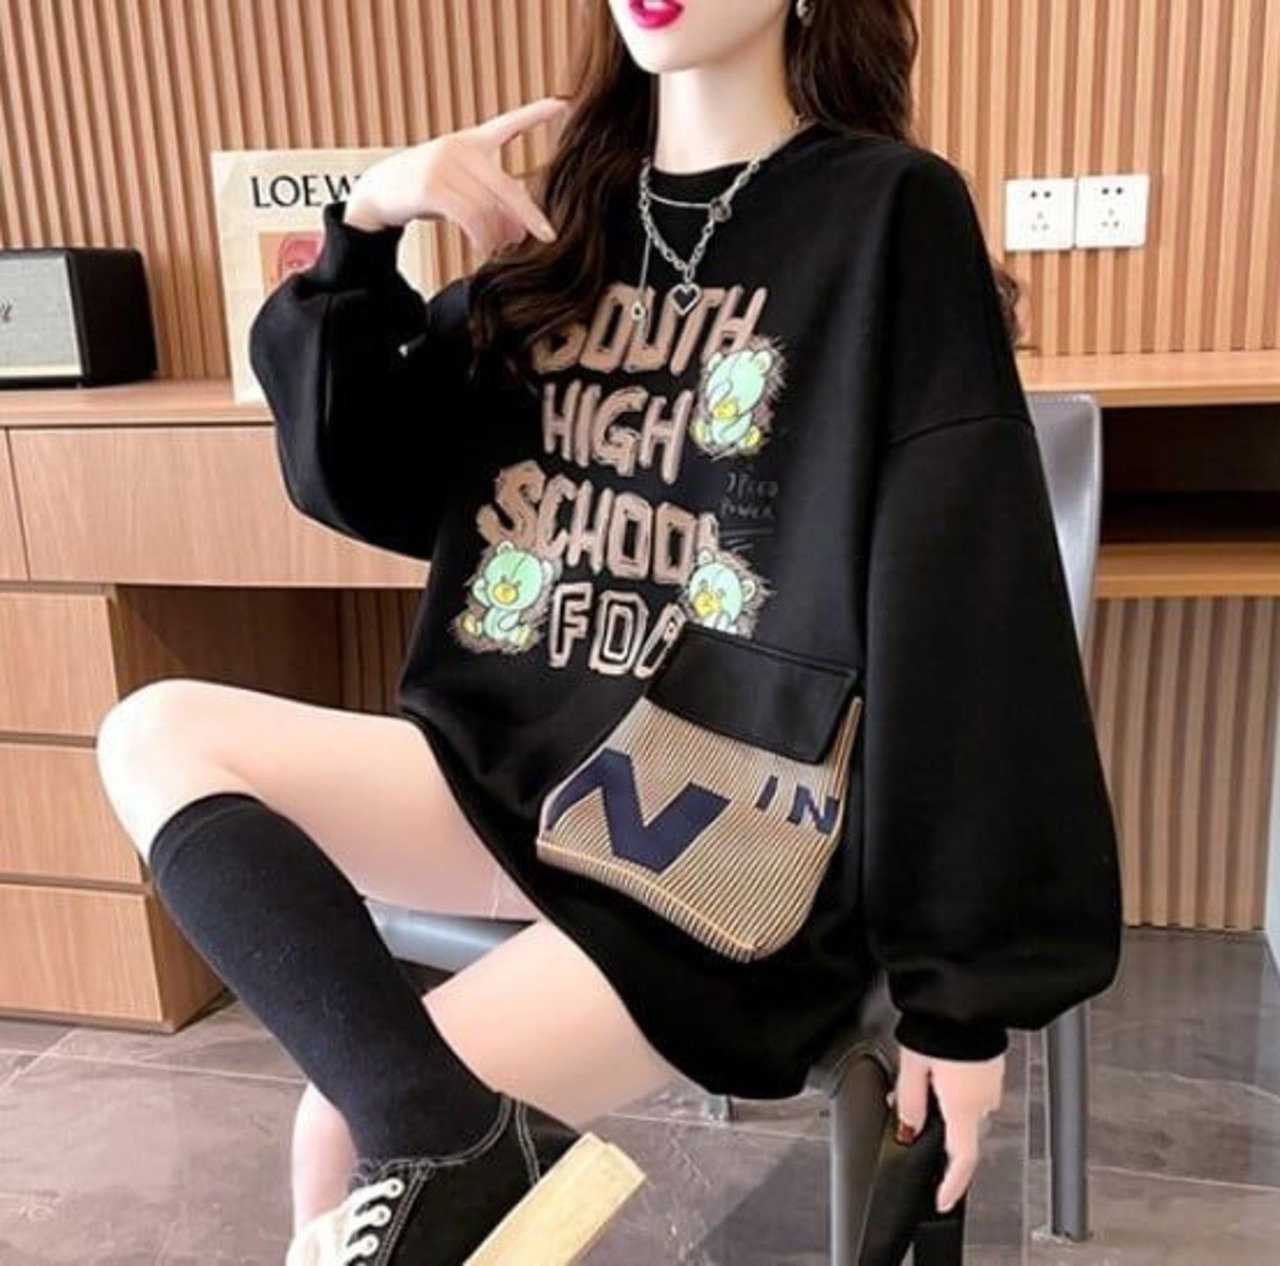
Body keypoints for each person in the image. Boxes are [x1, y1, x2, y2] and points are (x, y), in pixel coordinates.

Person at [95, 0, 1123, 1262]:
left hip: (723, 822)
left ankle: (440, 1147)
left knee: (337, 1130)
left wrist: (958, 1000)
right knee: (153, 731)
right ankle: (449, 1143)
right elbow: (357, 473)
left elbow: (961, 601)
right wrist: (363, 229)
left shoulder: (885, 213)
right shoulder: (568, 227)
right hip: (507, 765)